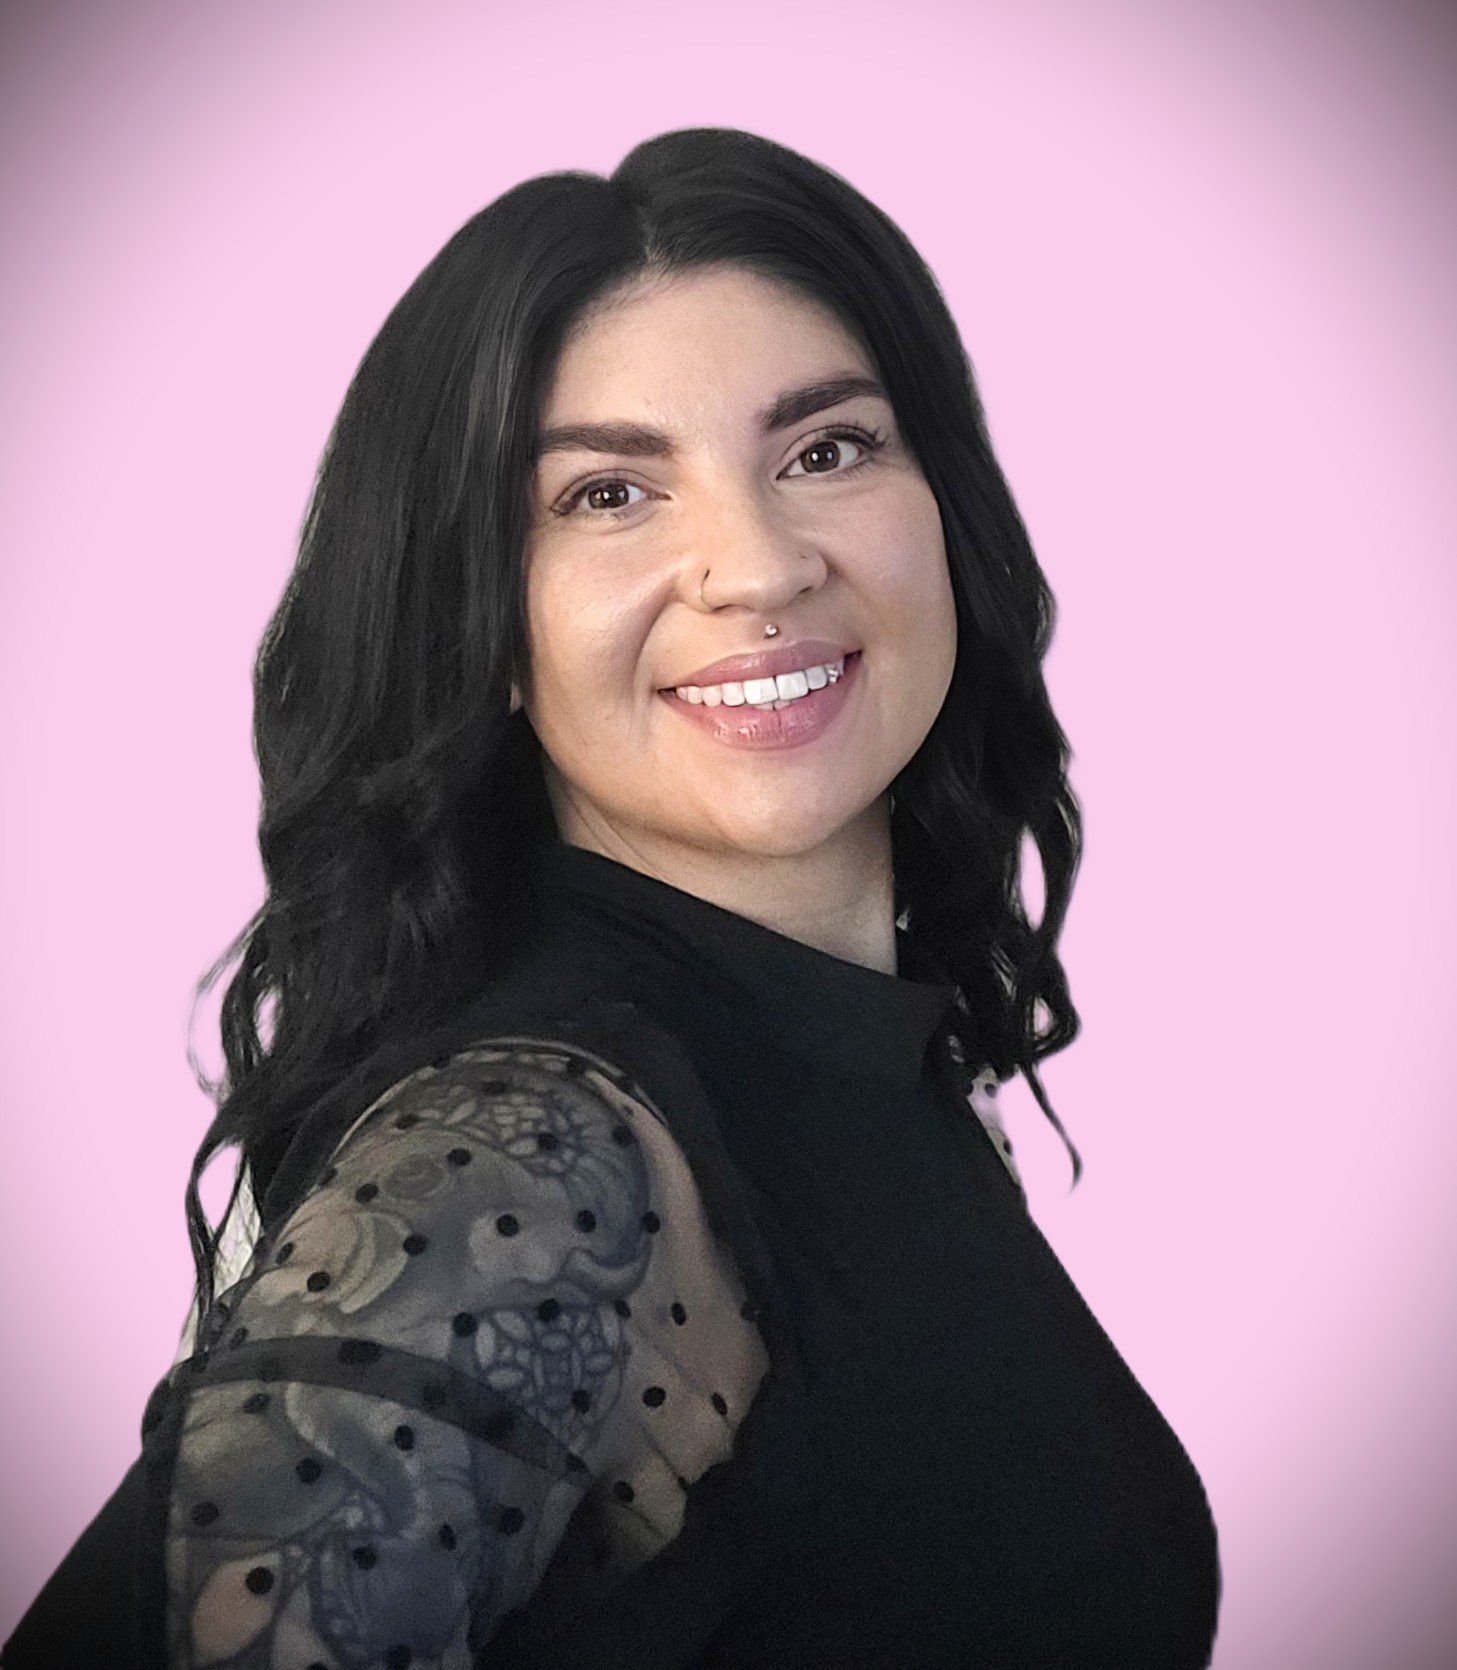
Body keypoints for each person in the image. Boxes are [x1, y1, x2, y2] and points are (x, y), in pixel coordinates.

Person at [3, 127, 1221, 1668]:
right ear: (487, 625)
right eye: (605, 494)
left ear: (944, 512)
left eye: (825, 450)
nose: (756, 564)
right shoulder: (539, 1153)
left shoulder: (858, 1065)